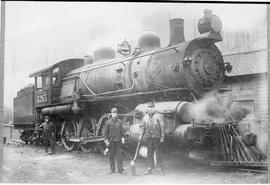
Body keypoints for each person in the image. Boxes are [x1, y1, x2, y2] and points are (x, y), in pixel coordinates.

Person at [139, 101, 165, 175]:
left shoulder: (159, 116)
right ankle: (150, 168)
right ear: (147, 108)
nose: (150, 109)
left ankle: (161, 169)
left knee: (158, 153)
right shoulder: (145, 116)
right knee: (149, 153)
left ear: (154, 108)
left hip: (156, 137)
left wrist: (162, 137)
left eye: (152, 107)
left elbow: (162, 127)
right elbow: (143, 127)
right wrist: (141, 135)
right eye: (149, 107)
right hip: (149, 137)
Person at [104, 107, 126, 174]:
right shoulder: (108, 122)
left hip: (118, 142)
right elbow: (105, 134)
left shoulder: (119, 122)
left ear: (117, 114)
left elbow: (122, 131)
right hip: (111, 142)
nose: (114, 114)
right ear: (111, 114)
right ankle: (112, 170)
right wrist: (107, 142)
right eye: (113, 113)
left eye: (115, 112)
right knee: (111, 157)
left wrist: (122, 138)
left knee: (119, 157)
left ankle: (120, 170)